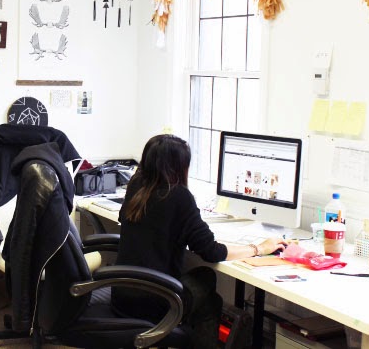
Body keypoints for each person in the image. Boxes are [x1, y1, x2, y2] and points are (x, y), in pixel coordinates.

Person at [112, 134, 286, 349]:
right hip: (154, 301)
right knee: (206, 277)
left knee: (210, 303)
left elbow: (130, 219)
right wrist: (259, 248)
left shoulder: (136, 185)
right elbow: (212, 252)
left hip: (122, 294)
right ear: (179, 167)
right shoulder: (179, 196)